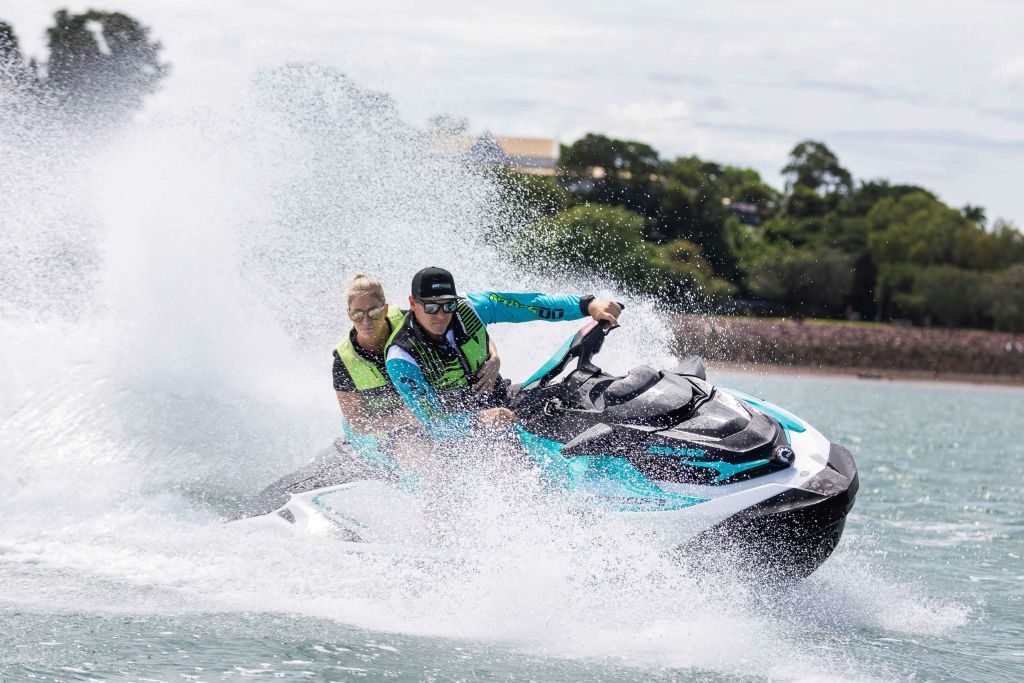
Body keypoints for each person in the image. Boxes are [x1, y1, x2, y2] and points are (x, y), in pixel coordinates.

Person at [385, 266, 621, 441]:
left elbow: (532, 305)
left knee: (574, 390)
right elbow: (432, 424)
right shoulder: (402, 357)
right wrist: (480, 420)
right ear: (413, 303)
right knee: (505, 449)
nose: (441, 315)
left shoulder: (470, 308)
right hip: (458, 433)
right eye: (432, 306)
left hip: (503, 400)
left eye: (448, 305)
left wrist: (587, 305)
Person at [332, 273, 501, 464]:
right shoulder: (343, 362)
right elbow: (357, 423)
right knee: (428, 459)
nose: (366, 322)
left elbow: (468, 331)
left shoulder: (411, 322)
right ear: (349, 314)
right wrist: (402, 418)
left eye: (374, 313)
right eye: (357, 314)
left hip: (437, 413)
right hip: (393, 431)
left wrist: (493, 357)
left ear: (385, 309)